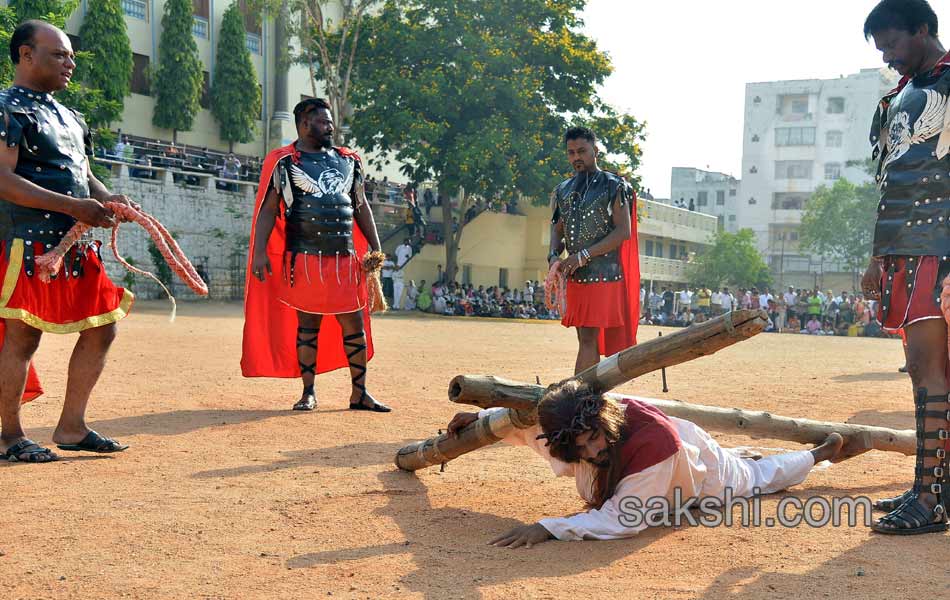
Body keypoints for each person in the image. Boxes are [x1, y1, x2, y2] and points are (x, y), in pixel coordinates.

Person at [446, 381, 849, 547]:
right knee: (748, 466)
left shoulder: (655, 446)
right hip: (659, 464)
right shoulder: (572, 431)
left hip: (696, 467)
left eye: (595, 437)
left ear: (604, 422)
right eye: (581, 446)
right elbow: (530, 424)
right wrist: (485, 421)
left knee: (754, 478)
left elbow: (623, 518)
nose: (593, 450)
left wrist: (546, 528)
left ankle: (817, 454)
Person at [0, 21, 139, 462]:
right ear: (26, 55)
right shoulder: (5, 108)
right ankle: (9, 435)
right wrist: (73, 208)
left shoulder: (68, 115)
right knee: (23, 337)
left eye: (71, 56)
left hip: (76, 245)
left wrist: (104, 198)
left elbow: (82, 174)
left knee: (103, 327)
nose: (70, 63)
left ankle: (72, 427)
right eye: (59, 54)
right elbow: (3, 180)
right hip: (27, 241)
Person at [861, 0, 950, 534]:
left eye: (894, 44)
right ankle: (933, 487)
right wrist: (877, 256)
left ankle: (930, 496)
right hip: (907, 250)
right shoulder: (898, 98)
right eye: (882, 50)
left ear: (924, 29)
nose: (890, 57)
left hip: (941, 248)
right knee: (928, 372)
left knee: (928, 371)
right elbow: (889, 185)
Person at [242, 97, 391, 413]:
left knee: (355, 326)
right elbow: (269, 210)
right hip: (304, 260)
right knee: (307, 326)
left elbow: (361, 206)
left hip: (344, 260)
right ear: (305, 123)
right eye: (324, 121)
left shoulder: (349, 161)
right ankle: (308, 393)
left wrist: (376, 247)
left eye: (331, 121)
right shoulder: (286, 163)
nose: (331, 126)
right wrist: (258, 253)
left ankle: (359, 393)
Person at [548, 127, 639, 373]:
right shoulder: (562, 189)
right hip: (576, 275)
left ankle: (578, 397)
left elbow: (623, 232)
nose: (576, 157)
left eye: (582, 151)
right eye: (571, 152)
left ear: (595, 151)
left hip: (603, 273)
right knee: (584, 340)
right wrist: (554, 256)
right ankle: (586, 396)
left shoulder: (614, 185)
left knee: (588, 340)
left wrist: (583, 255)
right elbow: (557, 230)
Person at [393, 237, 413, 309]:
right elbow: (396, 253)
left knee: (399, 294)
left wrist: (407, 256)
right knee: (395, 293)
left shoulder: (409, 248)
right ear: (404, 241)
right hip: (399, 263)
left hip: (405, 264)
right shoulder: (399, 247)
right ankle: (394, 305)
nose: (408, 242)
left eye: (409, 242)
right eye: (407, 241)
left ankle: (397, 305)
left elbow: (410, 256)